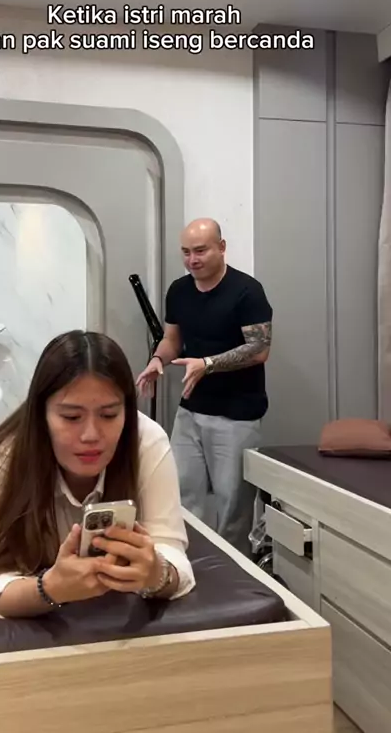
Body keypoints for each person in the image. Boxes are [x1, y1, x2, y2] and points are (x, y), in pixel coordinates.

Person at [0, 330, 195, 618]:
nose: (90, 435)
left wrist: (155, 573)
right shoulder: (6, 457)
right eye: (71, 417)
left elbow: (173, 556)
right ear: (41, 415)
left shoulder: (147, 442)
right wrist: (50, 589)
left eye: (109, 415)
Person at [136, 218, 272, 554]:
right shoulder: (179, 290)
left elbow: (259, 349)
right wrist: (157, 360)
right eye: (186, 252)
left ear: (221, 248)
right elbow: (172, 339)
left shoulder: (247, 291)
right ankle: (185, 565)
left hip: (236, 415)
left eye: (200, 251)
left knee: (232, 506)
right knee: (180, 495)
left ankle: (234, 574)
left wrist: (207, 364)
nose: (192, 260)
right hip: (190, 412)